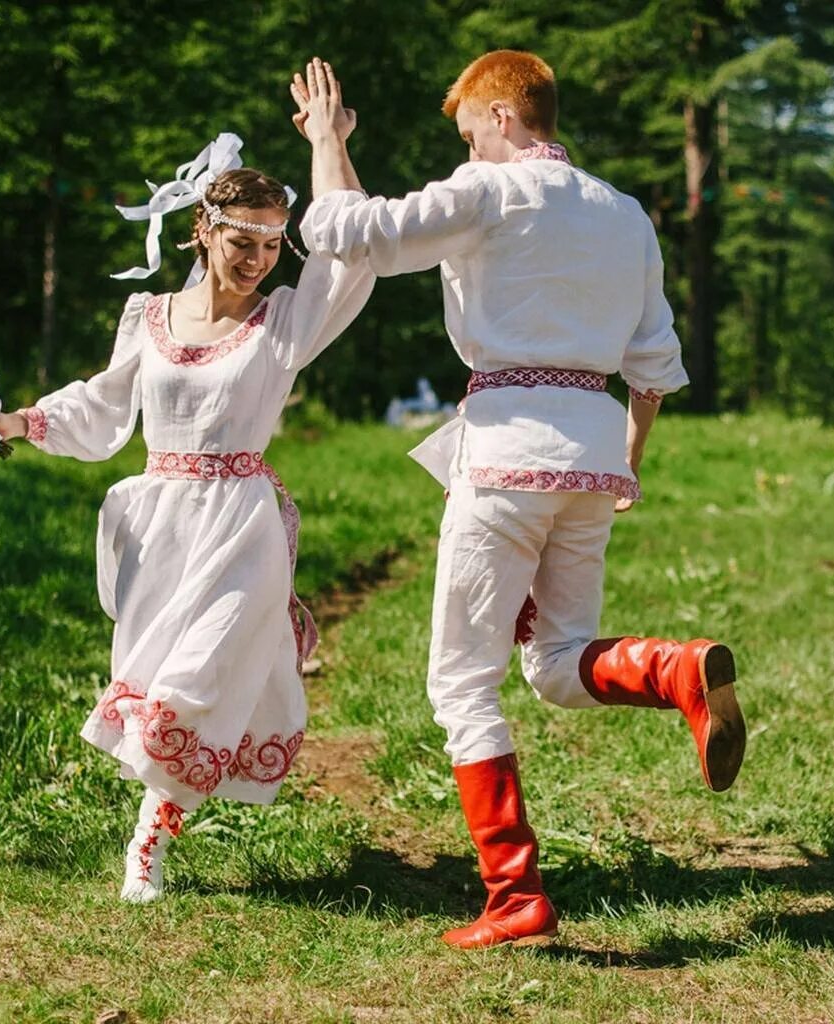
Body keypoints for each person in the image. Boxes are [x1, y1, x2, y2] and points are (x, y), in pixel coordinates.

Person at [291, 53, 746, 948]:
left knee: (461, 682)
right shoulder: (626, 214)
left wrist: (322, 142)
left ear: (503, 117)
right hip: (590, 454)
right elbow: (654, 366)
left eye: (469, 133)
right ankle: (676, 671)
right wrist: (627, 466)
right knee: (555, 661)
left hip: (504, 451)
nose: (467, 149)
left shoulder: (488, 191)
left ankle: (515, 896)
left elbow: (348, 231)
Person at [0, 134, 373, 902]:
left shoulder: (285, 322)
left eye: (273, 242)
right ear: (203, 231)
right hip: (159, 529)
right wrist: (18, 421)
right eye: (241, 239)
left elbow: (351, 256)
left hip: (241, 526)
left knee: (198, 678)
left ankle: (146, 846)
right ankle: (158, 825)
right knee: (157, 688)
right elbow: (105, 401)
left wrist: (329, 142)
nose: (257, 257)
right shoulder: (148, 316)